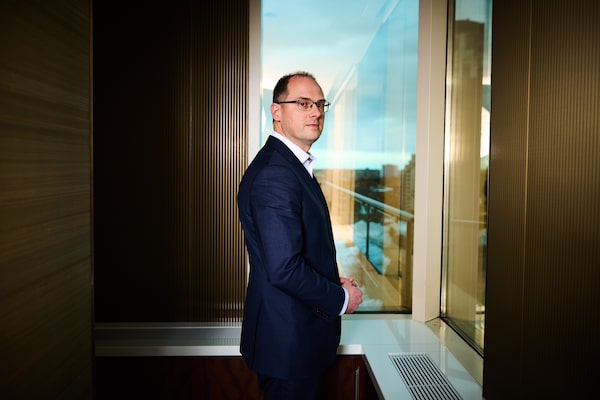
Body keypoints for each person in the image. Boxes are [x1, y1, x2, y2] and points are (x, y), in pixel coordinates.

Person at [237, 71, 363, 400]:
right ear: (276, 111)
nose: (316, 112)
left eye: (320, 104)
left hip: (294, 338)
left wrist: (330, 281)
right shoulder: (276, 174)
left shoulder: (290, 165)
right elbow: (284, 268)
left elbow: (294, 252)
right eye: (304, 103)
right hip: (288, 344)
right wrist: (341, 299)